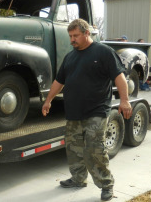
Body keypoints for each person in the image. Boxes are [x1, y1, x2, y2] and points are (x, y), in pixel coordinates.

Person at [42, 19, 132, 201]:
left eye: (75, 36)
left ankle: (106, 185)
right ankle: (78, 178)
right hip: (74, 111)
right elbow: (59, 81)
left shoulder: (103, 52)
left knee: (94, 148)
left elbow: (119, 77)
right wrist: (48, 100)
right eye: (70, 36)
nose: (72, 40)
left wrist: (125, 101)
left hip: (97, 110)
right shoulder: (70, 57)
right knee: (73, 148)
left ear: (86, 33)